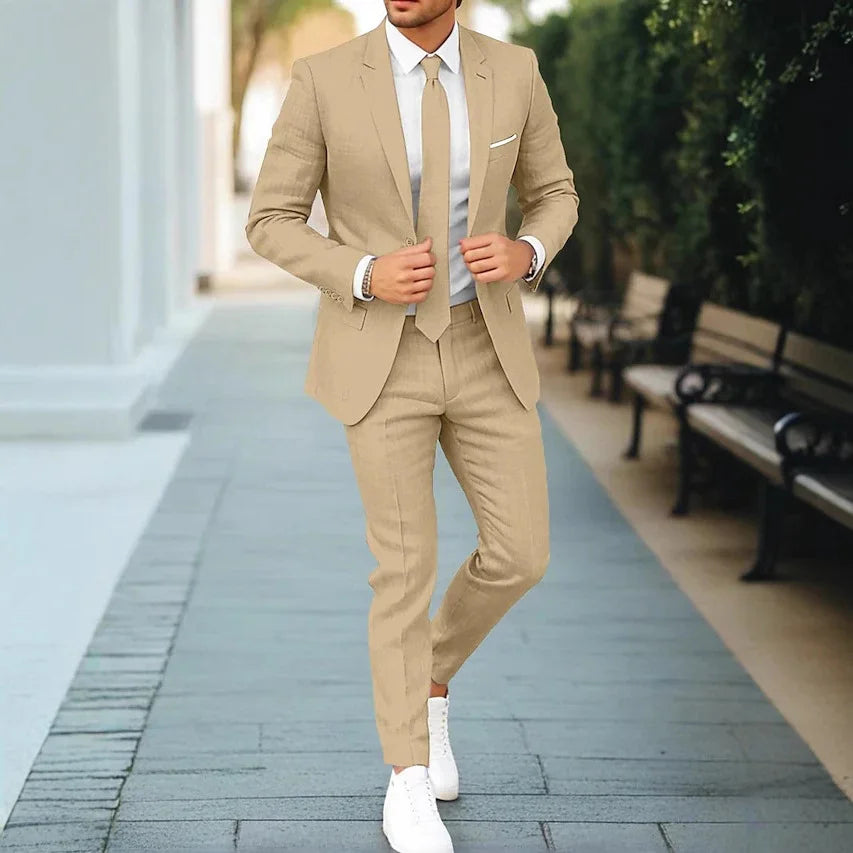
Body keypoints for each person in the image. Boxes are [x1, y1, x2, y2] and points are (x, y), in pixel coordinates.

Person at [246, 1, 578, 850]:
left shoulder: (515, 71)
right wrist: (360, 269)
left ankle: (425, 675)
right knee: (402, 567)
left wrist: (528, 251)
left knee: (521, 552)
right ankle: (405, 778)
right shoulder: (324, 79)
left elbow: (553, 192)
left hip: (484, 344)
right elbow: (272, 219)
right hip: (379, 354)